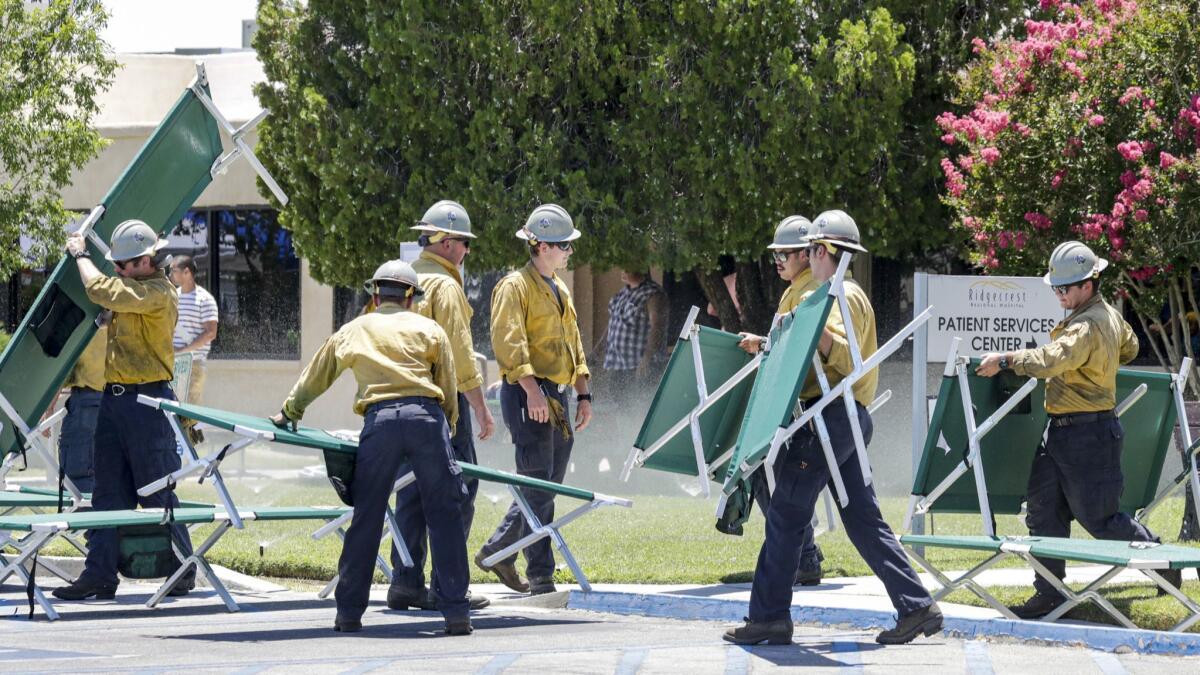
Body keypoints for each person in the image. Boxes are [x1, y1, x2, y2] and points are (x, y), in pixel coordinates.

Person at [724, 210, 942, 646]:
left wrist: (810, 324)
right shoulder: (839, 292)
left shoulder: (837, 293)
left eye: (808, 250)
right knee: (862, 518)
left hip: (829, 417)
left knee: (786, 513)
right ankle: (917, 605)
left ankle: (769, 617)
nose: (802, 256)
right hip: (841, 416)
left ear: (820, 251)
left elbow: (842, 356)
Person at [976, 240, 1181, 618]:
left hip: (1089, 435)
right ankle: (1050, 594)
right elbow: (1131, 347)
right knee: (1043, 511)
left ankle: (1163, 561)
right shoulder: (1108, 317)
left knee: (1100, 520)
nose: (1058, 294)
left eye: (1064, 288)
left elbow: (1052, 359)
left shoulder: (1087, 325)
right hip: (1065, 432)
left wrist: (1005, 359)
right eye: (1055, 288)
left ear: (1089, 283)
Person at [271, 260, 472, 635]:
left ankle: (348, 614)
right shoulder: (430, 329)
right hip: (426, 418)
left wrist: (290, 411)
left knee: (367, 516)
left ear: (376, 294)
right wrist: (448, 429)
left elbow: (319, 373)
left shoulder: (355, 328)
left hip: (378, 424)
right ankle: (457, 613)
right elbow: (448, 384)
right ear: (411, 297)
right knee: (444, 514)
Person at [54, 220, 195, 601]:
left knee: (155, 488)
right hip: (115, 400)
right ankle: (100, 574)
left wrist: (81, 254)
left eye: (123, 264)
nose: (117, 268)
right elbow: (111, 305)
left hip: (148, 401)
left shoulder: (158, 293)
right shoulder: (136, 289)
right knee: (107, 494)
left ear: (146, 260)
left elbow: (102, 288)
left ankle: (182, 568)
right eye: (116, 264)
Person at [476, 204, 593, 595]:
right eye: (563, 245)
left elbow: (574, 345)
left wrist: (584, 393)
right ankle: (537, 570)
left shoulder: (560, 288)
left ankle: (502, 550)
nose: (568, 252)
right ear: (540, 245)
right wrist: (532, 391)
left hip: (557, 395)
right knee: (537, 480)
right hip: (529, 393)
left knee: (546, 485)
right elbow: (509, 345)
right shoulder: (515, 286)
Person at [387, 200, 496, 613]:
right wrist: (481, 410)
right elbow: (461, 358)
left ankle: (405, 582)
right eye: (464, 244)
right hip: (441, 409)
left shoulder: (405, 281)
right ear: (448, 242)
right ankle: (446, 585)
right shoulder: (447, 287)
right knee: (459, 489)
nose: (467, 251)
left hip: (399, 404)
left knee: (410, 492)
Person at [734, 215, 826, 587]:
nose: (777, 260)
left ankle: (803, 557)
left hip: (800, 407)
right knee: (779, 482)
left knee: (771, 477)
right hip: (797, 405)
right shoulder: (798, 288)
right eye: (776, 254)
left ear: (806, 254)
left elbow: (797, 346)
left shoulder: (806, 293)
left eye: (784, 253)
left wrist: (764, 343)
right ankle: (806, 555)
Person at [53, 314, 109, 495]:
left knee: (79, 481)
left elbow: (62, 362)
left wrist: (48, 407)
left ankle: (88, 523)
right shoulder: (123, 301)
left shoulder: (82, 308)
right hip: (119, 400)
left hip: (87, 402)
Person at [601, 269, 667, 393]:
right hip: (618, 364)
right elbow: (613, 324)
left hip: (639, 366)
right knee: (619, 404)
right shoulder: (623, 292)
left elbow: (657, 327)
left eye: (627, 268)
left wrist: (647, 357)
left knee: (636, 402)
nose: (622, 271)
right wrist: (597, 352)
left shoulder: (653, 294)